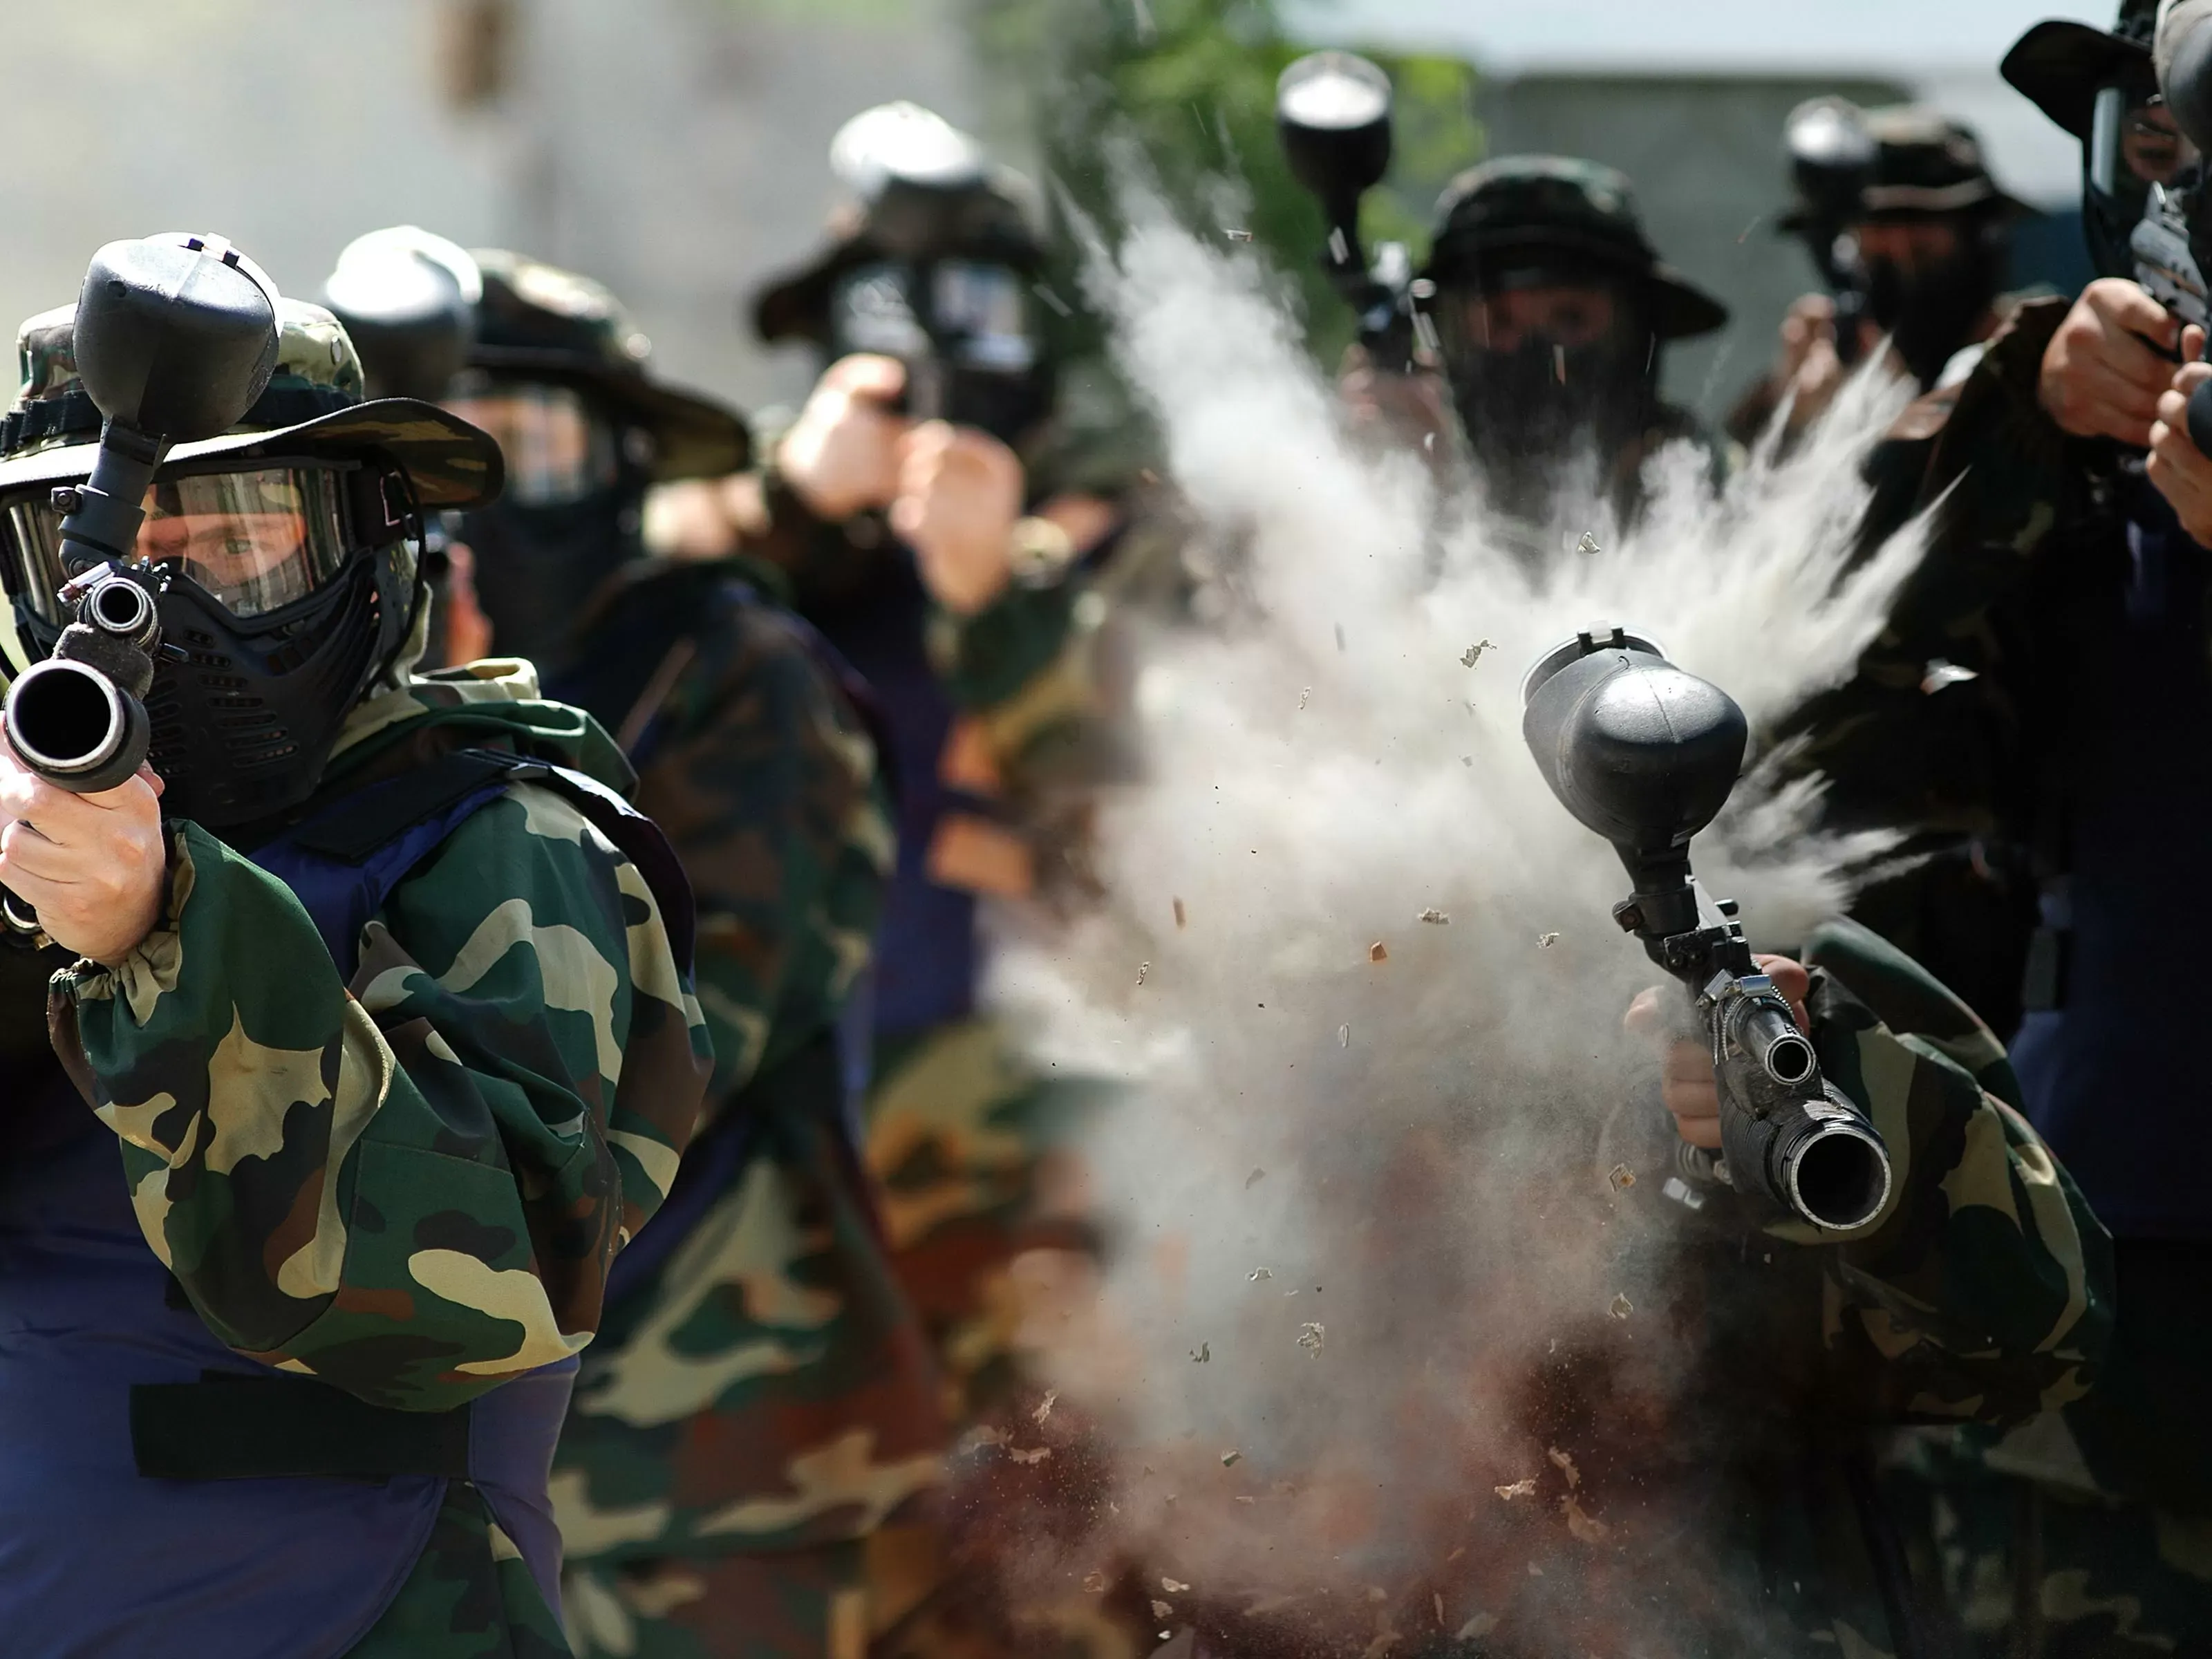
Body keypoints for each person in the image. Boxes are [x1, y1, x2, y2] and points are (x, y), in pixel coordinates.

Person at [0, 246, 710, 1656]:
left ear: (372, 550)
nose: (169, 607)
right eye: (109, 554)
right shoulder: (29, 837)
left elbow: (488, 1292)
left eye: (238, 538)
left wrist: (159, 934)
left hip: (373, 1616)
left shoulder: (503, 837)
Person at [329, 236, 947, 1657]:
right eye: (435, 465)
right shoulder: (349, 693)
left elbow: (651, 1064)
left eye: (529, 448)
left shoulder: (736, 676)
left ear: (622, 468)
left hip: (719, 1462)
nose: (479, 510)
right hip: (451, 1464)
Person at [1780, 1, 2212, 1644]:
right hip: (2100, 1302)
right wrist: (2023, 411)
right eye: (2160, 140)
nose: (2185, 180)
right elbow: (1830, 713)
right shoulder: (2070, 435)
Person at [1408, 156, 1731, 541]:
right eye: (1499, 323)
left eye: (1571, 319)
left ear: (1635, 337)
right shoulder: (1404, 480)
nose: (1535, 357)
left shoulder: (1718, 502)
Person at [1731, 102, 2030, 444]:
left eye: (1921, 222)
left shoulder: (2042, 362)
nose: (1900, 247)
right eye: (1877, 224)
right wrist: (1792, 421)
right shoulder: (1815, 372)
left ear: (1980, 233)